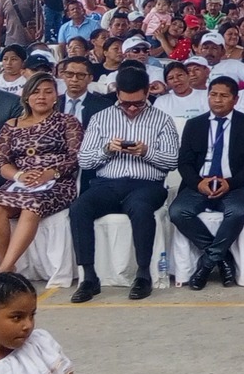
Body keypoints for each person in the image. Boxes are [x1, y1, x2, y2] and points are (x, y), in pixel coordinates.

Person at [67, 64, 181, 303]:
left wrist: (147, 152)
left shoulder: (162, 120)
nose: (131, 108)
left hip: (147, 185)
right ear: (117, 93)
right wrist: (107, 150)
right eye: (125, 103)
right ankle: (89, 277)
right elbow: (84, 161)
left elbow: (172, 161)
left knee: (140, 208)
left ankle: (143, 275)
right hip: (107, 184)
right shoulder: (101, 118)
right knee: (79, 208)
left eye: (138, 103)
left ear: (147, 93)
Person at [173, 76, 244, 290]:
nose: (217, 100)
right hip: (200, 184)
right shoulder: (194, 124)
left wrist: (231, 183)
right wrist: (198, 183)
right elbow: (184, 162)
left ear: (235, 99)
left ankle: (207, 263)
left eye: (224, 96)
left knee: (238, 211)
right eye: (213, 95)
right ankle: (222, 257)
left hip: (235, 185)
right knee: (178, 212)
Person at [0, 72, 81, 274]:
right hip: (21, 181)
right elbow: (0, 161)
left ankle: (3, 271)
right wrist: (19, 176)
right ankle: (7, 266)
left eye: (48, 92)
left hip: (57, 182)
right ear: (26, 96)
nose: (41, 97)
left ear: (56, 96)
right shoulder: (12, 125)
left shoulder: (67, 121)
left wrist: (50, 173)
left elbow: (76, 156)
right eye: (36, 92)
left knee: (31, 205)